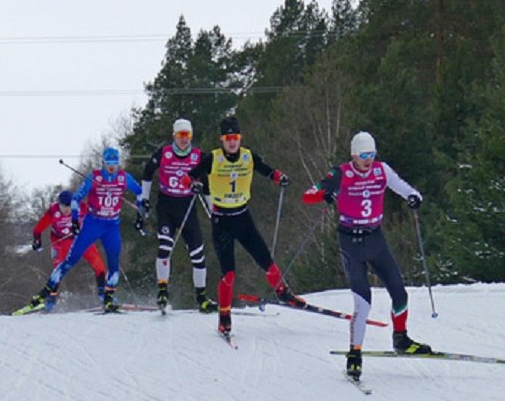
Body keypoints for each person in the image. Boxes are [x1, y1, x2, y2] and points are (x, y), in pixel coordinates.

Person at [302, 131, 432, 381]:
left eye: (372, 154)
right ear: (354, 155)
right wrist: (324, 194)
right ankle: (354, 354)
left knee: (399, 291)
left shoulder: (382, 171)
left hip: (375, 237)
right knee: (363, 302)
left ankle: (401, 338)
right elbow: (308, 195)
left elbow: (406, 189)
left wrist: (414, 198)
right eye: (363, 155)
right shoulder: (340, 174)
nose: (368, 160)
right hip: (350, 240)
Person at [182, 115, 297, 335]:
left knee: (265, 259)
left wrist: (280, 177)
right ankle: (224, 316)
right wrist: (193, 184)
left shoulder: (248, 156)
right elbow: (187, 178)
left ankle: (283, 292)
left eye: (235, 137)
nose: (232, 142)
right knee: (229, 274)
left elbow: (267, 170)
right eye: (228, 138)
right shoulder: (213, 159)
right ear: (222, 140)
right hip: (222, 221)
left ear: (240, 138)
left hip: (243, 218)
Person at [24, 146, 145, 313]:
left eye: (115, 163)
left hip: (112, 225)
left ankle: (108, 298)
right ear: (103, 163)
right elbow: (76, 199)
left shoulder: (124, 178)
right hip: (93, 223)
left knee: (113, 264)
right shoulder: (94, 177)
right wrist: (74, 219)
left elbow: (140, 192)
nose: (112, 167)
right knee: (69, 261)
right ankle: (43, 295)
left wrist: (140, 212)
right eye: (108, 163)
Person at [139, 118, 217, 313]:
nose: (184, 139)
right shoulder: (164, 153)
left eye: (187, 135)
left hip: (187, 207)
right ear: (174, 135)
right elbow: (148, 171)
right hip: (166, 205)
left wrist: (212, 210)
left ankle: (202, 297)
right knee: (165, 246)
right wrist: (145, 199)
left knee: (198, 254)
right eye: (181, 135)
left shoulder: (198, 156)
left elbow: (207, 184)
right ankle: (162, 291)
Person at [31, 189, 107, 312]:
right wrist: (37, 241)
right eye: (63, 206)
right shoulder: (53, 211)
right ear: (59, 204)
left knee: (98, 264)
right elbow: (38, 229)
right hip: (60, 242)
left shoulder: (81, 207)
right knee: (58, 269)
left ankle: (104, 295)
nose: (66, 209)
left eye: (69, 206)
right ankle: (51, 299)